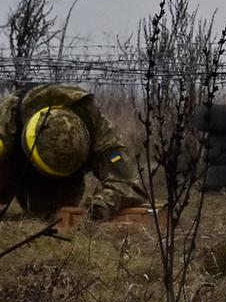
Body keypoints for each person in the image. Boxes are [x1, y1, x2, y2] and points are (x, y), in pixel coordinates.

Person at [0, 84, 148, 218]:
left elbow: (128, 183)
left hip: (66, 183)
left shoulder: (98, 131)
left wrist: (103, 202)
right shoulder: (6, 121)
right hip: (13, 163)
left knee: (54, 217)